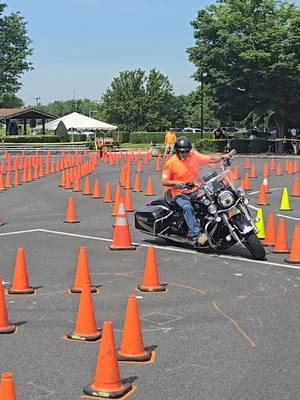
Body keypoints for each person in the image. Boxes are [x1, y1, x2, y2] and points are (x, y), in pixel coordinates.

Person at [161, 136, 230, 246]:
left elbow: (209, 158)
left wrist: (223, 157)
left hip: (196, 190)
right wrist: (176, 183)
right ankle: (197, 235)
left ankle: (218, 228)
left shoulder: (193, 156)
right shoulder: (171, 163)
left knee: (212, 202)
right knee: (188, 208)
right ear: (177, 151)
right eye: (182, 152)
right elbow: (164, 181)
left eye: (186, 152)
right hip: (180, 193)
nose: (184, 154)